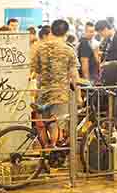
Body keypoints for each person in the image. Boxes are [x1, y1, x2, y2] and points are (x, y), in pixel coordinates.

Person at [30, 19, 78, 147]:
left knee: (42, 123)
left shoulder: (40, 49)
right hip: (60, 93)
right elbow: (74, 75)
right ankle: (53, 150)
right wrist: (78, 94)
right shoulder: (69, 50)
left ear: (51, 30)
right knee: (55, 123)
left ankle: (45, 150)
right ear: (66, 33)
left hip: (43, 91)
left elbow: (35, 69)